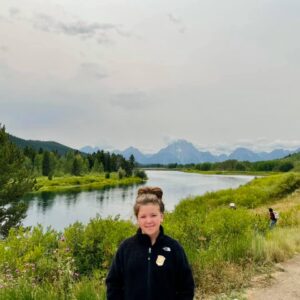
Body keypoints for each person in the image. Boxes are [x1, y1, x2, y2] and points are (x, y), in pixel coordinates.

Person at [106, 186, 195, 300]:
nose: (149, 221)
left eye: (153, 215)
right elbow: (113, 284)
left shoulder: (174, 248)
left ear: (161, 216)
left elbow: (186, 287)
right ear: (137, 219)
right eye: (143, 216)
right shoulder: (126, 248)